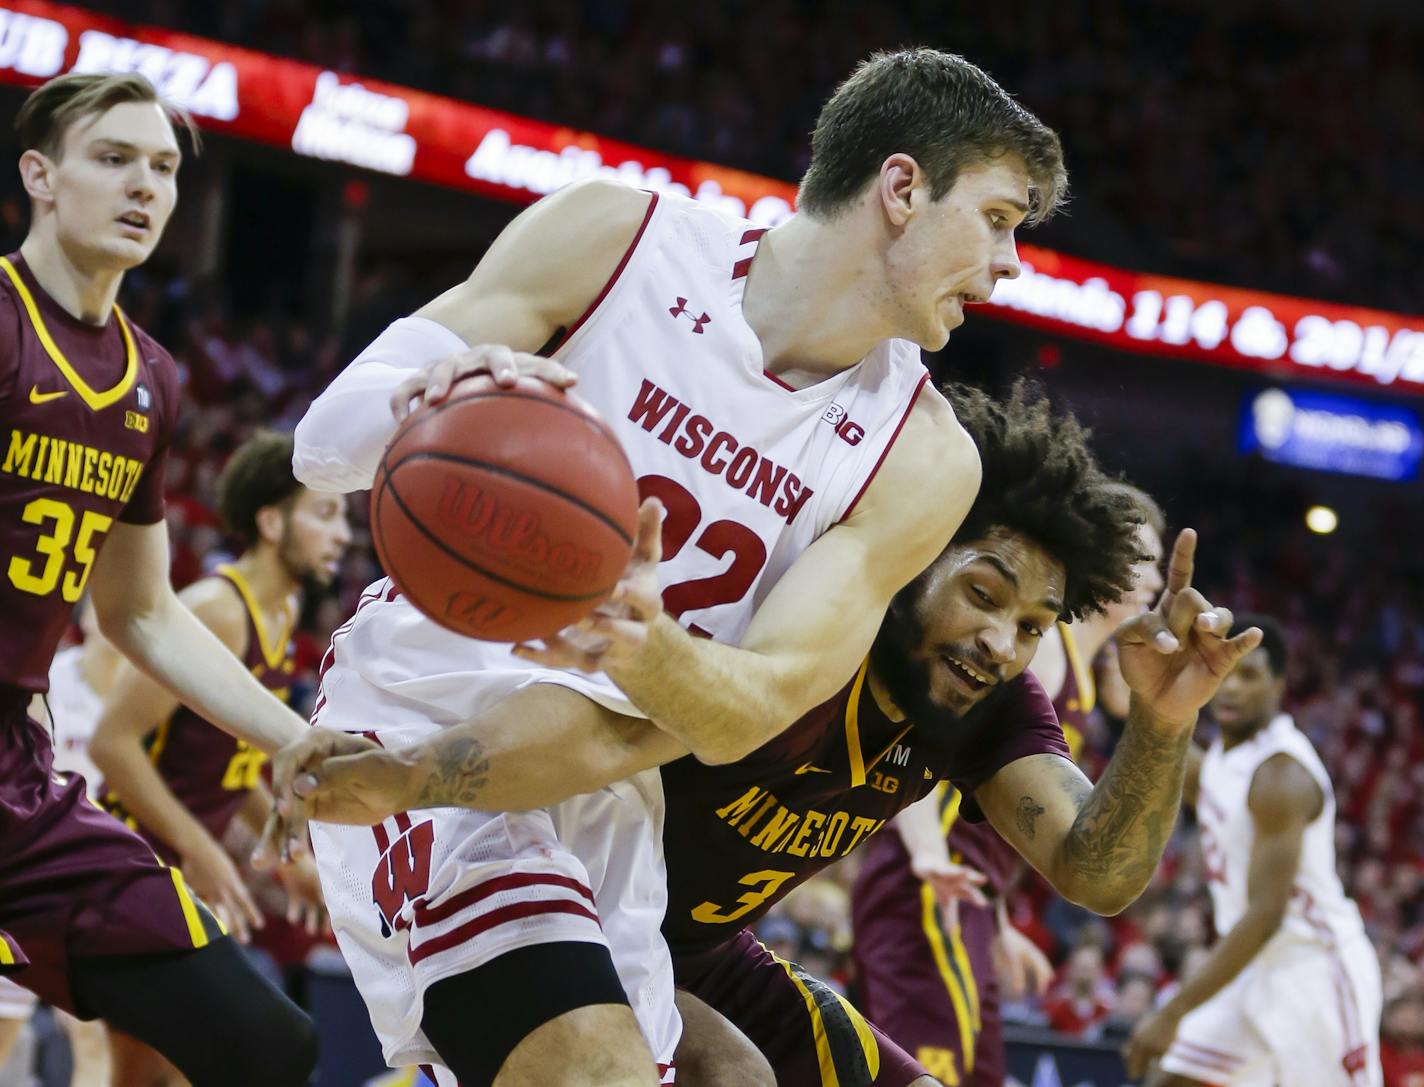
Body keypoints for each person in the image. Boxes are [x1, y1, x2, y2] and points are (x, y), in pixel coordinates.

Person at [270, 48, 1066, 1087]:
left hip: (602, 768)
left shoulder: (918, 455)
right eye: (999, 218)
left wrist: (638, 646)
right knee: (584, 1068)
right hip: (430, 699)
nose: (1009, 262)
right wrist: (435, 392)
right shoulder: (616, 237)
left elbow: (754, 707)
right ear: (902, 188)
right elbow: (321, 449)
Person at [655, 382, 1256, 1086]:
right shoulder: (808, 606)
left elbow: (1096, 872)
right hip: (588, 901)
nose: (1002, 642)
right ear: (915, 553)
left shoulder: (992, 702)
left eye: (1033, 625)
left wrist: (1164, 717)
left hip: (708, 954)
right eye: (982, 594)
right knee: (733, 1073)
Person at [0, 71, 317, 1085]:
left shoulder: (149, 378)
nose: (144, 185)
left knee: (265, 1042)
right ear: (39, 177)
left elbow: (139, 610)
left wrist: (298, 739)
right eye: (113, 158)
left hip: (18, 772)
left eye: (165, 167)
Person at [851, 483, 1166, 1085]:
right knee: (932, 1074)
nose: (1155, 579)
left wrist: (994, 921)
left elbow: (988, 802)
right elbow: (929, 744)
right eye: (1143, 558)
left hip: (964, 889)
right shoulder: (1044, 653)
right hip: (930, 881)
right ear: (1100, 559)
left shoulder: (1085, 676)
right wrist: (925, 860)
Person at [90, 430, 348, 1085]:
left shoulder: (282, 611)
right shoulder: (215, 609)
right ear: (271, 521)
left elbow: (232, 762)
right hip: (128, 858)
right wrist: (201, 850)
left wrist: (287, 857)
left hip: (169, 869)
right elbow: (111, 745)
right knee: (171, 1067)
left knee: (166, 1073)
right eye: (325, 513)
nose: (343, 535)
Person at [1124, 614, 1384, 1087]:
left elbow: (1266, 917)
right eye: (1225, 673)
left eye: (1250, 675)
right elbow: (1181, 765)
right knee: (1172, 1078)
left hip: (1314, 971)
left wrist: (1174, 1010)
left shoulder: (1281, 775)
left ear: (1279, 685)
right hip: (1254, 969)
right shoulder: (1229, 757)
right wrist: (1142, 698)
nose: (1231, 689)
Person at [0, 597, 122, 1085]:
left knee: (96, 1039)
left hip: (104, 883)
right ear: (87, 618)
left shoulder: (147, 697)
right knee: (6, 1028)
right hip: (34, 873)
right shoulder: (46, 683)